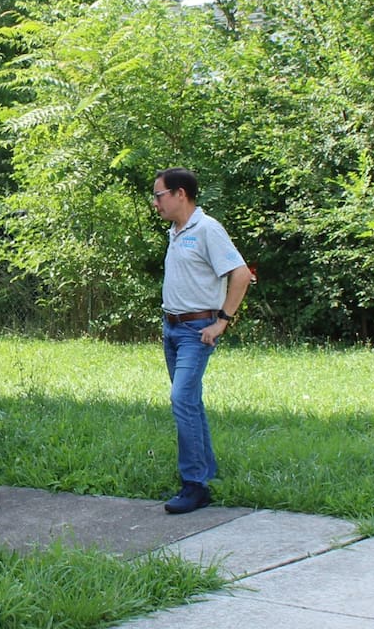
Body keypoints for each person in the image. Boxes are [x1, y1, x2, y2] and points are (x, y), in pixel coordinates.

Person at [151, 167, 251, 514]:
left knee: (181, 400)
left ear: (181, 194)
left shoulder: (207, 229)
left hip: (198, 331)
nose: (155, 203)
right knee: (190, 401)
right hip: (173, 329)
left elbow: (240, 274)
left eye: (159, 195)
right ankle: (206, 473)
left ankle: (194, 485)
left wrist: (222, 321)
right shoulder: (175, 232)